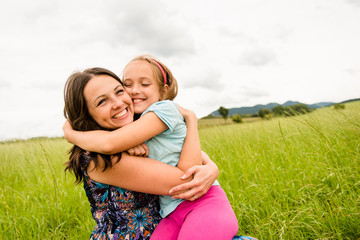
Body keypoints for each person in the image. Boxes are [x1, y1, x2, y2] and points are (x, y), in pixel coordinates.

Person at [63, 56, 255, 240]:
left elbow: (181, 147)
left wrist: (212, 166)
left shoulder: (141, 124)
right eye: (102, 101)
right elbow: (186, 179)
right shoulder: (102, 158)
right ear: (86, 115)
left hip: (188, 214)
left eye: (120, 91)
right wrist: (71, 133)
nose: (119, 102)